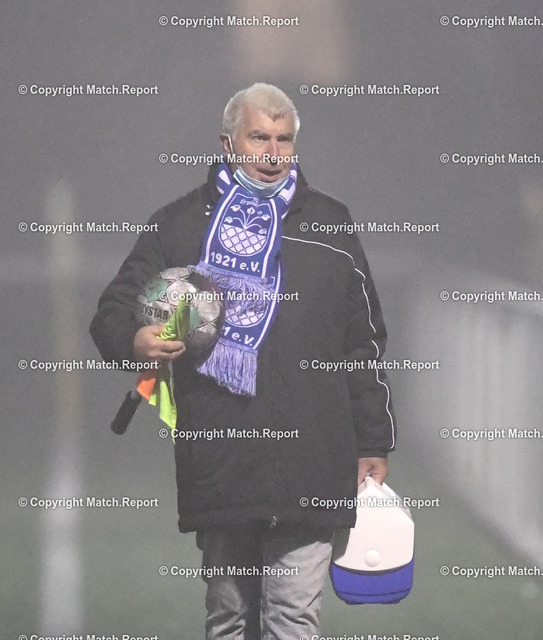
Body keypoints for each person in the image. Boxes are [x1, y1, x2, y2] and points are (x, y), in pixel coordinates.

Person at [90, 83, 396, 640]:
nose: (273, 153)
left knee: (293, 617)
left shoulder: (331, 223)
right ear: (228, 142)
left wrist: (373, 440)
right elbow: (112, 310)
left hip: (313, 459)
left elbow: (363, 343)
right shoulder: (179, 225)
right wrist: (135, 340)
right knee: (230, 618)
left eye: (284, 140)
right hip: (221, 458)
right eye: (259, 138)